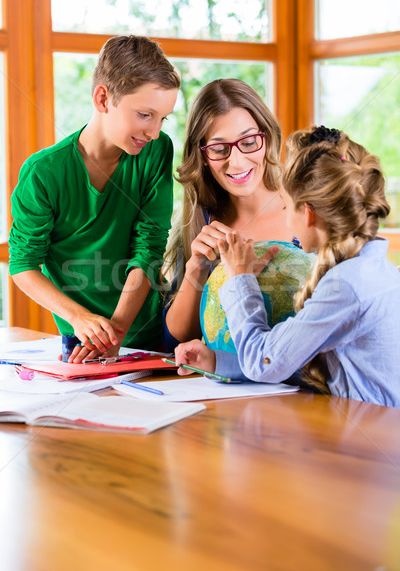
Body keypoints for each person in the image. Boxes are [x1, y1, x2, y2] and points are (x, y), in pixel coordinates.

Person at [174, 125, 400, 408]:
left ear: (307, 213)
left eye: (285, 205)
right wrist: (218, 361)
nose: (285, 218)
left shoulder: (346, 285)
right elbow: (294, 358)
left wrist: (240, 278)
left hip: (369, 439)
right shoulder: (375, 271)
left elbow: (266, 363)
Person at [9, 35, 180, 362]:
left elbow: (150, 247)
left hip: (152, 335)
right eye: (145, 115)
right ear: (103, 98)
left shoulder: (156, 151)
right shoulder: (44, 172)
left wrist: (116, 331)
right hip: (80, 343)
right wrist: (79, 319)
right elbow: (23, 265)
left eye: (162, 119)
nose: (155, 132)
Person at [162, 78, 294, 352]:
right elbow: (174, 339)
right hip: (221, 388)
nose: (236, 161)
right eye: (219, 149)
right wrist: (196, 269)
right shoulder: (199, 222)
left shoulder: (306, 209)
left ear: (266, 136)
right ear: (203, 156)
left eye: (248, 142)